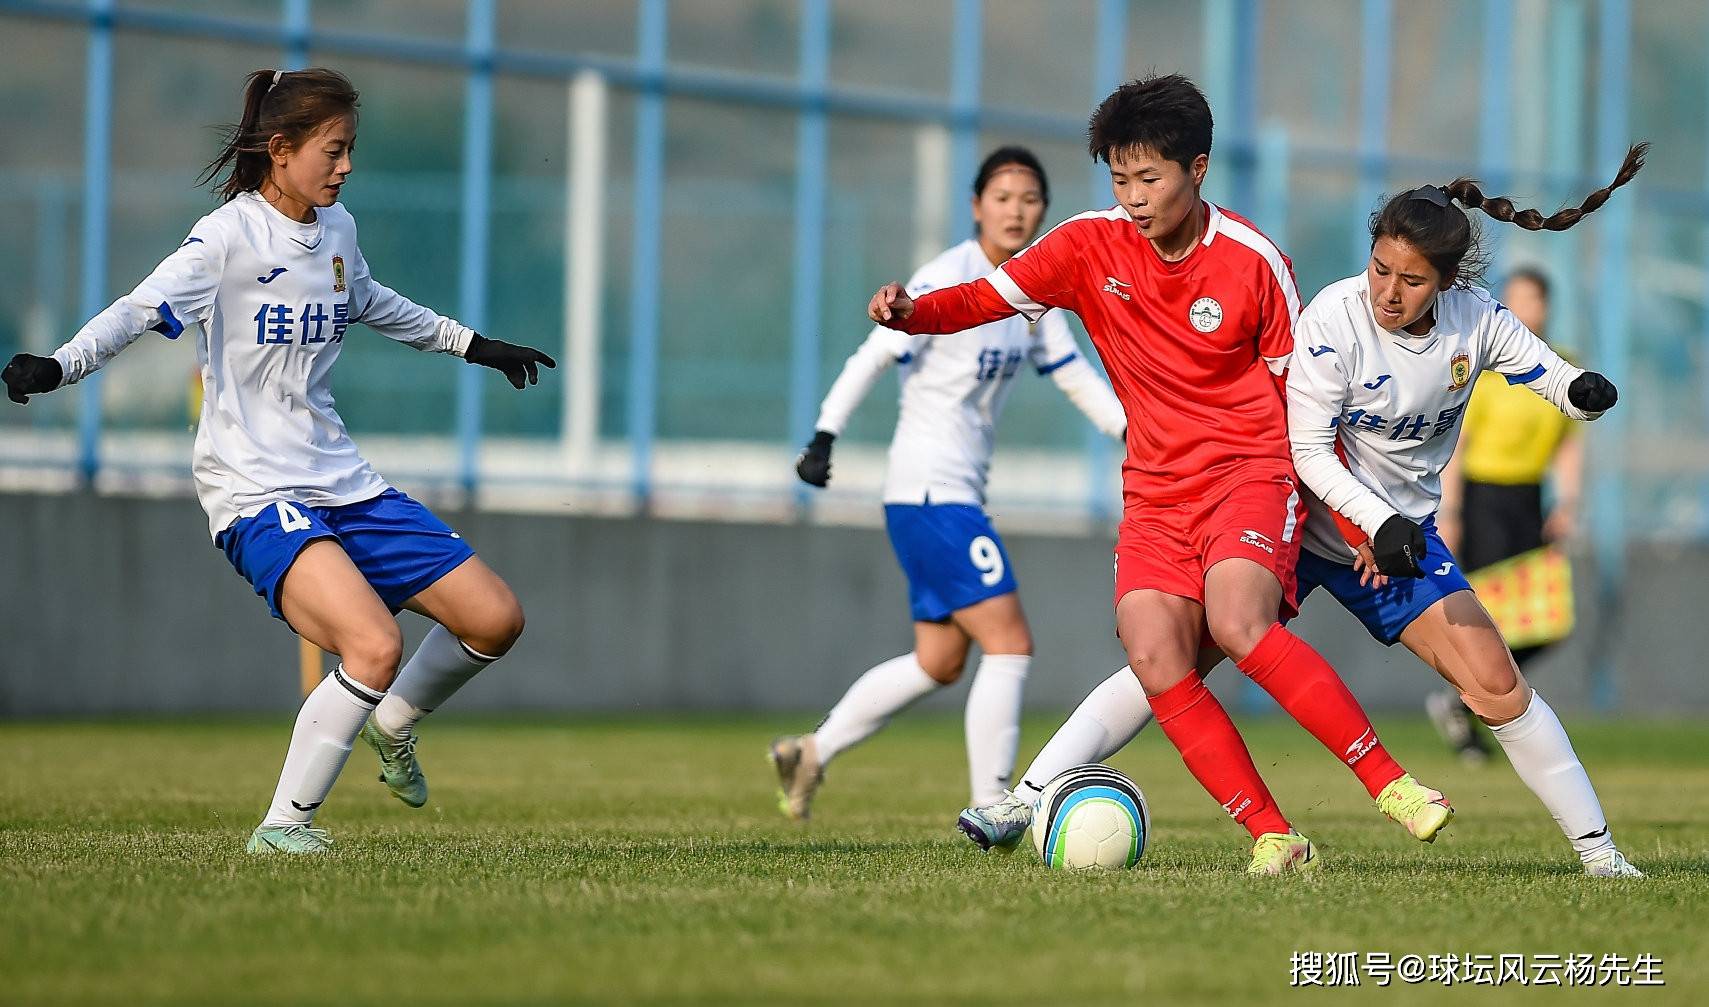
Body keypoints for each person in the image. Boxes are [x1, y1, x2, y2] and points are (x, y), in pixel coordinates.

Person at [978, 148, 1649, 879]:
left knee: (1494, 683)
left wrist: (1578, 389)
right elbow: (1307, 449)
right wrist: (1368, 521)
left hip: (1399, 542)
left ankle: (1601, 857)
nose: (1388, 291)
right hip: (1299, 520)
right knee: (1169, 660)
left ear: (1447, 283)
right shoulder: (1332, 317)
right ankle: (1027, 794)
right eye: (1380, 268)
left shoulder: (1474, 322)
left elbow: (1540, 366)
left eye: (1412, 279)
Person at [869, 75, 1451, 875]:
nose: (1133, 198)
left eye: (1149, 178)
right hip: (1153, 491)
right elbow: (985, 296)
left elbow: (1308, 412)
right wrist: (911, 312)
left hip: (1251, 472)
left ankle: (1392, 785)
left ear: (1197, 168)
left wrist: (1356, 519)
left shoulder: (1254, 263)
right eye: (1118, 179)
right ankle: (1275, 837)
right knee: (1154, 655)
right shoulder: (1083, 246)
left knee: (1239, 622)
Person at [2, 68, 556, 854]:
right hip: (256, 492)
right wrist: (59, 366)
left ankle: (393, 722)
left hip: (345, 482)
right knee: (373, 644)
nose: (346, 166)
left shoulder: (338, 232)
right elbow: (136, 310)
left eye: (350, 149)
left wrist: (472, 344)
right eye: (334, 150)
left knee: (496, 618)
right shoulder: (224, 238)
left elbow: (372, 301)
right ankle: (281, 829)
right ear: (281, 149)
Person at [769, 147, 1127, 821]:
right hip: (932, 491)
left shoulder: (1030, 291)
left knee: (937, 660)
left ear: (1044, 209)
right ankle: (991, 800)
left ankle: (811, 751)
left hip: (941, 496)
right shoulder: (946, 275)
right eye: (1002, 197)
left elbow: (1074, 374)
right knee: (1010, 640)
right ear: (975, 206)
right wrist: (823, 435)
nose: (1016, 210)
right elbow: (874, 350)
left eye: (1028, 198)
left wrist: (1134, 433)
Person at [1429, 267, 1582, 761]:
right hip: (1483, 497)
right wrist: (1450, 511)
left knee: (1545, 621)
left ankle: (1463, 701)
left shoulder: (1561, 366)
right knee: (1492, 616)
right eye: (1510, 300)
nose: (1520, 309)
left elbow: (1569, 444)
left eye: (1528, 300)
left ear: (1545, 306)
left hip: (1529, 499)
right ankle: (1472, 712)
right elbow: (1458, 442)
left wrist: (1567, 502)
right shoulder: (1485, 370)